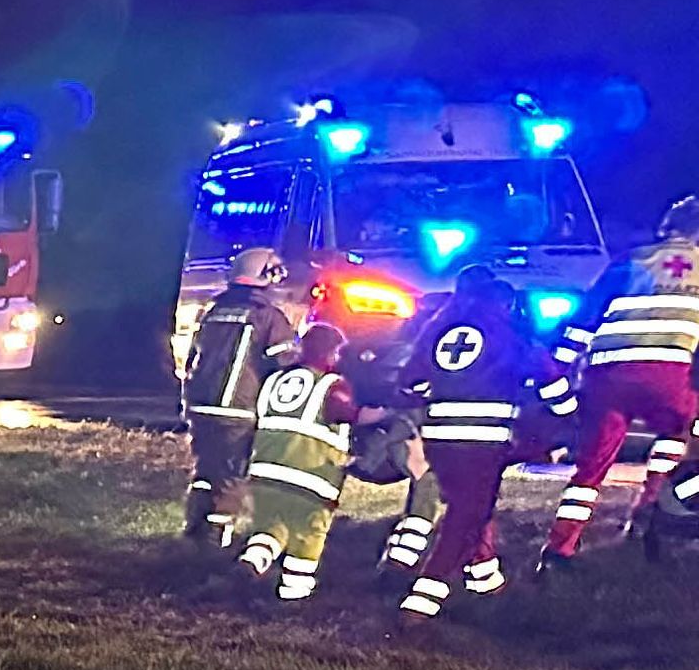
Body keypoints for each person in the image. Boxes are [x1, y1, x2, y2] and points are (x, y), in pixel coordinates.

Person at [391, 267, 563, 625]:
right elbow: (547, 377)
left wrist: (443, 392)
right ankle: (422, 600)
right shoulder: (508, 331)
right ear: (504, 303)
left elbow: (409, 384)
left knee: (471, 508)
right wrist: (568, 415)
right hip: (484, 442)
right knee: (466, 515)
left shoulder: (437, 327)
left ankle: (486, 582)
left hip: (439, 438)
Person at [543, 196, 699, 565]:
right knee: (678, 434)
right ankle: (653, 514)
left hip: (607, 376)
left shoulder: (629, 261)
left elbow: (582, 321)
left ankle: (558, 549)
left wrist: (557, 374)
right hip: (670, 375)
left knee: (592, 466)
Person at [237, 321, 358, 603]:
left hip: (263, 475)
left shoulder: (273, 381)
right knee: (308, 536)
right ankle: (294, 598)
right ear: (331, 354)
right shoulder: (332, 385)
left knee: (269, 528)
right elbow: (349, 414)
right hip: (310, 480)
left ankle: (252, 562)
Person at [178, 246, 288, 542]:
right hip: (237, 410)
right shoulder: (267, 315)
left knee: (205, 468)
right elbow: (286, 363)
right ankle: (217, 536)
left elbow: (192, 358)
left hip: (199, 404)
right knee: (231, 474)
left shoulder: (213, 309)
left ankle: (193, 528)